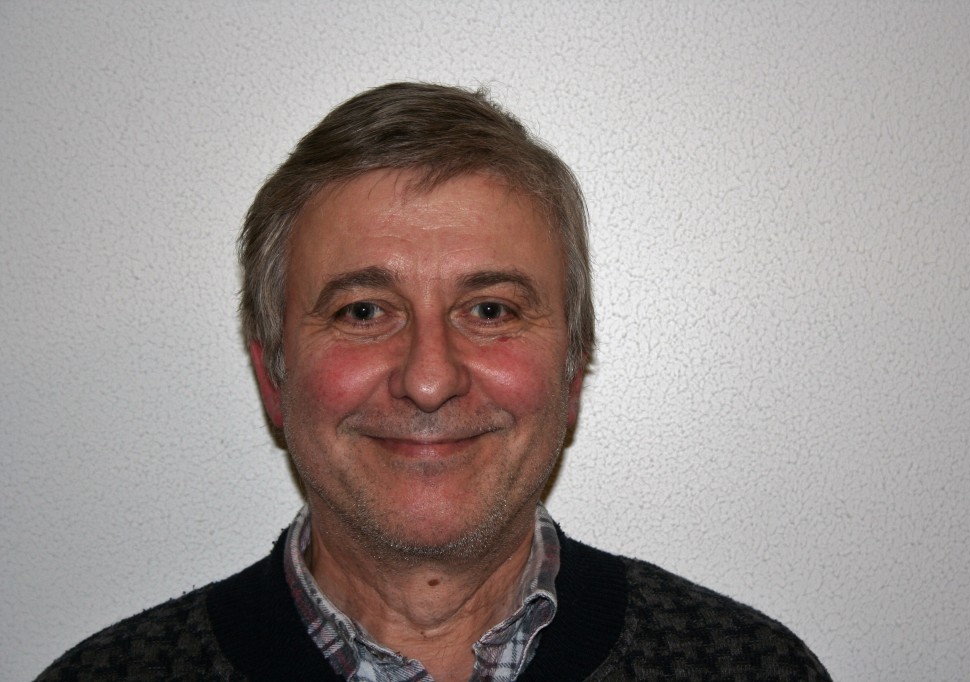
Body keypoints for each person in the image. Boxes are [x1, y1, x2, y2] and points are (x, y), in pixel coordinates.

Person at [37, 82, 831, 681]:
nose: (428, 380)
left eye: (489, 310)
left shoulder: (748, 667)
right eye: (362, 311)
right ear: (273, 378)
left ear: (572, 372)